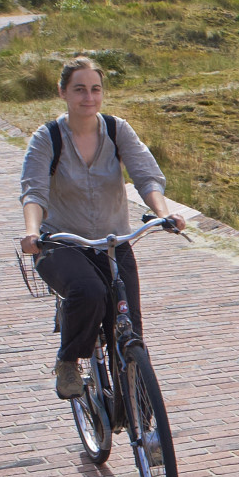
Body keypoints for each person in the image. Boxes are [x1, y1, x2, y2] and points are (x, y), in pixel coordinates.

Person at [18, 57, 183, 397]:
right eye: (79, 89)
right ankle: (68, 361)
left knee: (128, 328)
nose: (88, 97)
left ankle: (142, 420)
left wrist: (163, 212)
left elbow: (146, 176)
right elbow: (34, 191)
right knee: (89, 293)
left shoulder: (117, 129)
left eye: (95, 89)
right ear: (63, 92)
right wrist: (33, 232)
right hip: (61, 243)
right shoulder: (47, 137)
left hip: (113, 241)